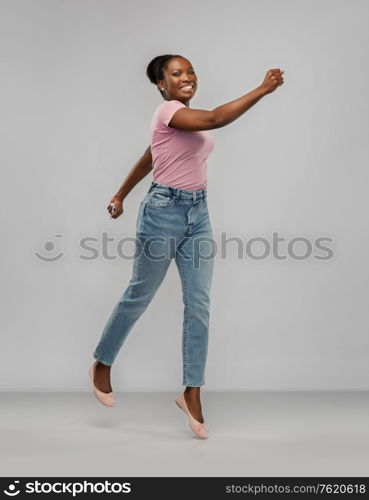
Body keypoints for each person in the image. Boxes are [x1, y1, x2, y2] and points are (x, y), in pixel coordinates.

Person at [89, 54, 284, 438]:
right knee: (139, 295)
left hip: (199, 213)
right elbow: (215, 119)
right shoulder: (167, 111)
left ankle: (191, 390)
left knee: (199, 303)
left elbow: (151, 156)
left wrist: (120, 192)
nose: (187, 77)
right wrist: (262, 89)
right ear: (162, 85)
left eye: (191, 71)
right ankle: (102, 363)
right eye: (177, 73)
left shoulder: (183, 123)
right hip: (162, 212)